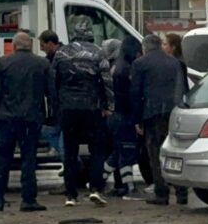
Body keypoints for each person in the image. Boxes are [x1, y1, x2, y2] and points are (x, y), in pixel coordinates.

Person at [51, 18, 114, 207]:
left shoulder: (61, 53)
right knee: (97, 149)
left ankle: (70, 194)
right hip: (92, 108)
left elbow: (53, 81)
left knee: (70, 151)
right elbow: (106, 82)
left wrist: (57, 107)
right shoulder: (98, 53)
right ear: (90, 33)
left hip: (68, 108)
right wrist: (109, 106)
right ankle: (95, 189)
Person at [0, 32, 49, 212]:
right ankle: (28, 199)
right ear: (30, 45)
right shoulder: (42, 63)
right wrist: (51, 117)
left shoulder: (2, 63)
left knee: (3, 159)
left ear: (13, 46)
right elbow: (50, 92)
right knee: (29, 159)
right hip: (31, 118)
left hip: (7, 118)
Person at [132, 34, 188, 206]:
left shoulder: (140, 64)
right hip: (174, 112)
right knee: (175, 152)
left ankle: (161, 193)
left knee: (155, 154)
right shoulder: (175, 62)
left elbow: (136, 93)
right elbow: (184, 88)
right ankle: (181, 192)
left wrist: (137, 119)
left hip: (152, 113)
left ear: (145, 47)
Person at [104, 36, 141, 199]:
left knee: (117, 152)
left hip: (114, 115)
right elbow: (132, 96)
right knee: (126, 152)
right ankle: (128, 187)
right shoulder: (127, 69)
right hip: (125, 116)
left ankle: (97, 183)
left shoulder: (114, 67)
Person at [37, 30, 66, 189]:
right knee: (50, 132)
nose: (41, 49)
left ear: (50, 43)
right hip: (57, 106)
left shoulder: (61, 58)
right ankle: (73, 164)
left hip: (63, 106)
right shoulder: (52, 58)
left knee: (62, 141)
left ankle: (71, 167)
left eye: (42, 45)